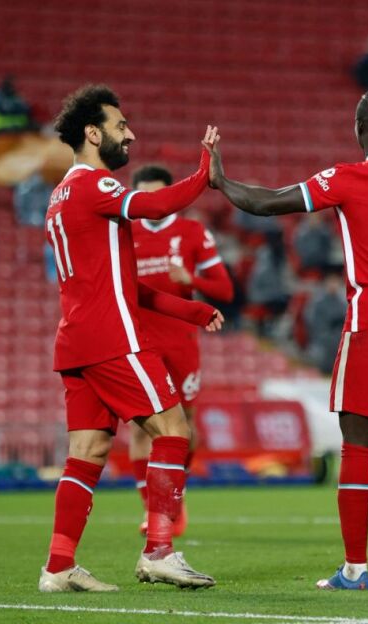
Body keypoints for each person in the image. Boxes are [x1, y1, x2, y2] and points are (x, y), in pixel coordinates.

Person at [205, 87, 368, 593]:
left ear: (359, 129)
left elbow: (268, 203)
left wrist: (222, 181)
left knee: (357, 445)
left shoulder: (347, 177)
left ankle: (354, 569)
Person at [39, 84, 223, 592]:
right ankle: (159, 551)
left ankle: (58, 566)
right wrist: (204, 174)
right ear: (93, 133)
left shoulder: (59, 197)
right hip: (112, 339)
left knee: (88, 451)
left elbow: (124, 285)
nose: (131, 134)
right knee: (174, 430)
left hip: (76, 342)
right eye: (120, 126)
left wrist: (191, 309)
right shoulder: (92, 185)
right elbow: (155, 204)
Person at [129, 164, 234, 537]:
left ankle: (176, 496)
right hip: (139, 342)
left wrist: (192, 280)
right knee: (141, 428)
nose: (153, 202)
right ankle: (156, 512)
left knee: (184, 426)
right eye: (146, 195)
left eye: (159, 194)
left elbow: (225, 290)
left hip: (181, 343)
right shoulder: (125, 232)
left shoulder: (192, 232)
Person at [305, 270, 348, 374]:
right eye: (331, 281)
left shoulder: (343, 303)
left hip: (340, 340)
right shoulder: (318, 303)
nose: (333, 285)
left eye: (336, 281)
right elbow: (315, 326)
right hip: (323, 342)